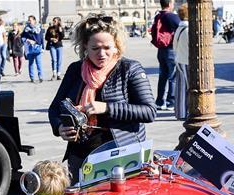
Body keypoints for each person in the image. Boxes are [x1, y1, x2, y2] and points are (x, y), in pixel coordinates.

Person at [48, 14, 157, 182]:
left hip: (121, 153)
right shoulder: (75, 70)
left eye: (107, 47)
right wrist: (59, 127)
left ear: (116, 46)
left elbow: (149, 111)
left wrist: (106, 107)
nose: (102, 54)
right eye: (95, 48)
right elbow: (55, 107)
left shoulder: (130, 69)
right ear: (85, 46)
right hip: (80, 154)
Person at [150, 0, 181, 110]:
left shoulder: (158, 16)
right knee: (172, 77)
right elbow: (182, 28)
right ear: (169, 4)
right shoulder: (171, 16)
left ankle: (159, 101)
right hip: (171, 50)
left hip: (161, 50)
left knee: (162, 76)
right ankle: (170, 102)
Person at [172, 4, 190, 121]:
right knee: (185, 88)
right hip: (186, 61)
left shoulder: (179, 28)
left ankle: (180, 111)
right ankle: (183, 113)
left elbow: (174, 46)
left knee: (180, 88)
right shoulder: (188, 30)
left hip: (179, 60)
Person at [22, 15, 44, 83]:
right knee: (31, 63)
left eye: (30, 20)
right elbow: (22, 37)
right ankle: (32, 77)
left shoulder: (39, 27)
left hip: (37, 48)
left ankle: (40, 77)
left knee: (39, 63)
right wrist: (27, 40)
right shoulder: (26, 29)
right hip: (30, 48)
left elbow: (41, 38)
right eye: (28, 20)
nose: (29, 21)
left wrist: (42, 47)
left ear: (34, 20)